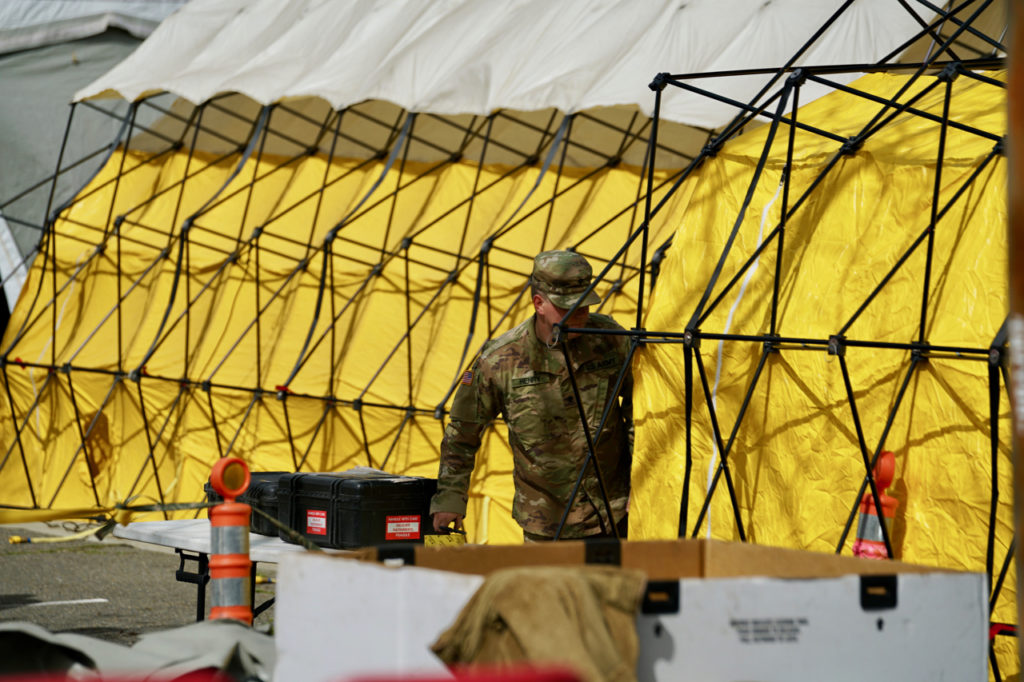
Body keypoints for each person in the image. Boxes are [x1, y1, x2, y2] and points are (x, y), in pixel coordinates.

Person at [430, 250, 632, 541]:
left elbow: (641, 411)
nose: (581, 315)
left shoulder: (612, 340)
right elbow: (463, 432)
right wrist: (450, 498)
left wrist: (641, 483)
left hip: (614, 514)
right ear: (539, 304)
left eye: (585, 305)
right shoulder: (500, 360)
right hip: (547, 521)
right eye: (569, 307)